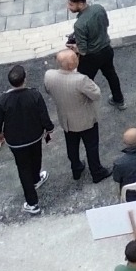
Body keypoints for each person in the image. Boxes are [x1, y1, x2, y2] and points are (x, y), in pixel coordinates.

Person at [0, 65, 55, 212]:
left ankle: (32, 203)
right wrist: (49, 128)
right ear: (25, 78)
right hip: (35, 135)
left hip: (15, 141)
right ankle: (36, 179)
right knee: (36, 157)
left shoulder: (3, 100)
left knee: (23, 168)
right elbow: (43, 115)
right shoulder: (34, 95)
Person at [48, 50, 108, 186]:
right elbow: (96, 94)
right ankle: (97, 172)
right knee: (91, 147)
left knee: (72, 146)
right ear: (72, 64)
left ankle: (76, 168)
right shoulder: (81, 80)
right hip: (85, 120)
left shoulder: (49, 76)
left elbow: (48, 89)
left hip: (66, 120)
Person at [68, 0, 126, 108]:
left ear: (81, 4)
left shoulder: (79, 25)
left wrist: (74, 48)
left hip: (91, 57)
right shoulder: (99, 8)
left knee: (84, 81)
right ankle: (119, 99)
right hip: (106, 50)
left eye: (71, 4)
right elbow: (106, 24)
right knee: (111, 74)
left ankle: (84, 107)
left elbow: (83, 50)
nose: (68, 7)